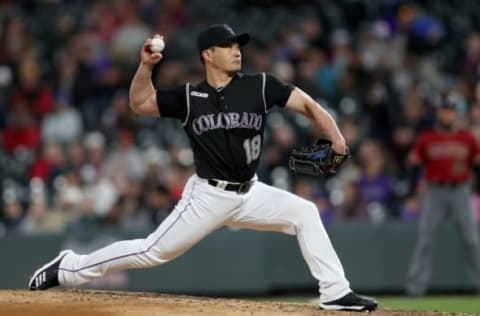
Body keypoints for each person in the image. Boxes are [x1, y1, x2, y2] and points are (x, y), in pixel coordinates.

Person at [28, 24, 377, 312]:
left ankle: (335, 291)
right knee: (152, 251)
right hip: (207, 196)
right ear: (208, 55)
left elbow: (308, 104)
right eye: (227, 45)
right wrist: (146, 66)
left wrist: (337, 141)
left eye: (238, 44)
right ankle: (70, 266)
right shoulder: (189, 97)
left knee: (305, 213)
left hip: (250, 191)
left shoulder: (260, 85)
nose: (237, 50)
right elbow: (139, 103)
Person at [405, 92, 480, 296]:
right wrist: (412, 195)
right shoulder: (426, 138)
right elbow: (414, 167)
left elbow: (477, 166)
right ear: (438, 112)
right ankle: (415, 289)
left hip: (460, 191)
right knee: (425, 240)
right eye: (445, 110)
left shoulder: (467, 138)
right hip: (435, 191)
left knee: (472, 240)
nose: (448, 114)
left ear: (456, 113)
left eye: (451, 110)